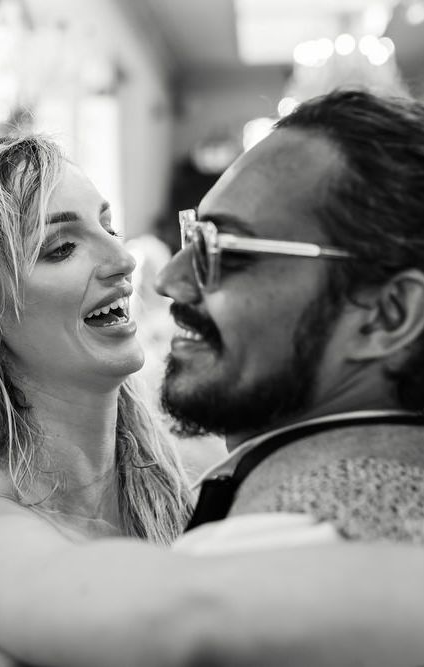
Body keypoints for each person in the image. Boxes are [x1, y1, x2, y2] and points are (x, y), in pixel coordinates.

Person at [0, 132, 424, 667]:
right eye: (61, 248)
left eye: (110, 227)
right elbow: (185, 619)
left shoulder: (195, 475)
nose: (124, 259)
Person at [156, 89, 424, 546]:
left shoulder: (275, 549)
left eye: (222, 250)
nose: (169, 279)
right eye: (194, 237)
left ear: (387, 315)